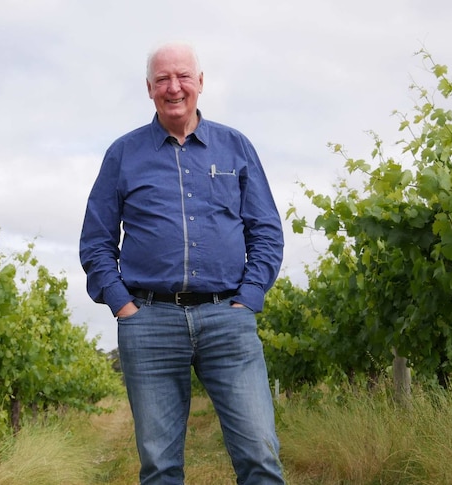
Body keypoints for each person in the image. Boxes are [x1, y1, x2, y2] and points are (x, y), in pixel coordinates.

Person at [79, 41, 285, 484]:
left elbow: (266, 231)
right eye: (163, 80)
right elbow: (96, 242)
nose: (174, 88)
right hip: (148, 321)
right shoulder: (122, 154)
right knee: (159, 467)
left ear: (201, 83)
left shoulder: (236, 147)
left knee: (260, 457)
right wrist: (124, 308)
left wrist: (248, 300)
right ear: (149, 88)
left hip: (227, 318)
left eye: (183, 77)